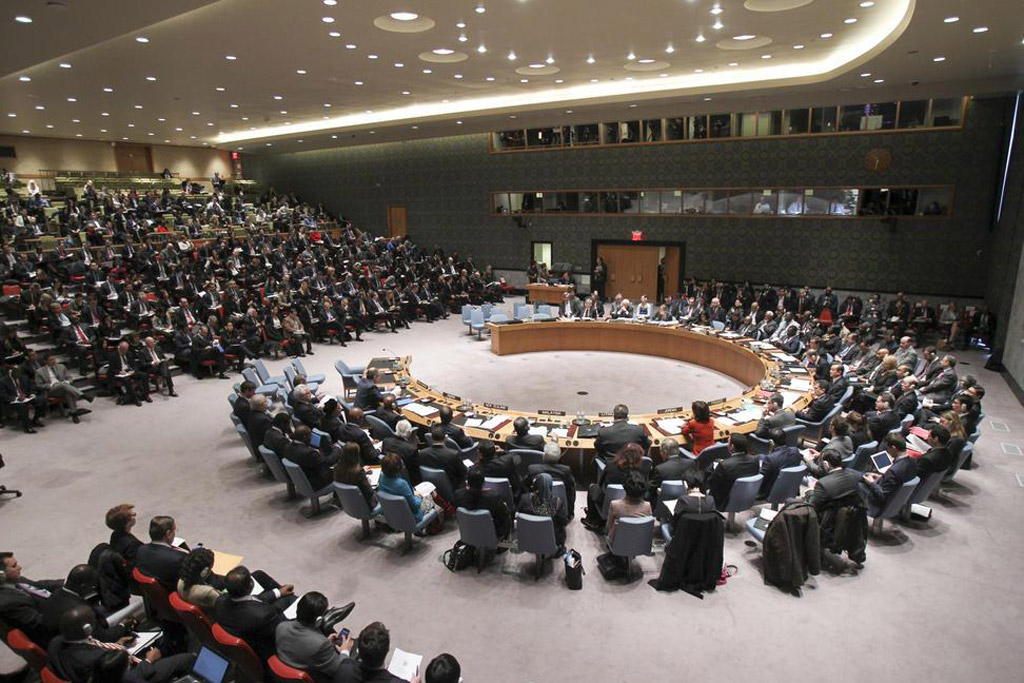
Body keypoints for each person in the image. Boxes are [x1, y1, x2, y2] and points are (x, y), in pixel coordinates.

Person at [47, 605, 195, 683]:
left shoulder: (55, 643)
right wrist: (150, 660)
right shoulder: (97, 659)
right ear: (87, 628)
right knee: (187, 658)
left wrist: (117, 645)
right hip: (136, 672)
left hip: (119, 662)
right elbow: (127, 677)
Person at [214, 565, 296, 661]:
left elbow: (251, 600)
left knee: (261, 576)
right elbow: (282, 628)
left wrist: (278, 592)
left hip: (245, 634)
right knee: (290, 600)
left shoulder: (220, 601)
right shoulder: (263, 615)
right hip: (264, 649)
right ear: (250, 585)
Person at [275, 591, 357, 683]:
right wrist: (345, 651)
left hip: (284, 669)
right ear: (318, 620)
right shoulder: (321, 644)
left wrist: (326, 641)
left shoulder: (281, 626)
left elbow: (302, 645)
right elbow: (339, 669)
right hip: (307, 675)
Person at [860, 433, 919, 513]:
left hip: (878, 504)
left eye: (887, 449)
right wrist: (880, 477)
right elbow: (894, 483)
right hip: (896, 501)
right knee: (858, 475)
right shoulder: (913, 462)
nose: (887, 451)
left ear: (893, 448)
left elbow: (883, 496)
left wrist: (871, 483)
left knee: (853, 481)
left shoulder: (894, 470)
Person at [703, 433, 759, 511]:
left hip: (724, 502)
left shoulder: (724, 465)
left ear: (732, 446)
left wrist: (715, 469)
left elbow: (711, 483)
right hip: (748, 496)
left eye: (728, 442)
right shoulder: (755, 460)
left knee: (708, 471)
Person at [377, 452, 437, 523]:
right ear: (399, 467)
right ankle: (431, 527)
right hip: (410, 517)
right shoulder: (401, 484)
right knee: (431, 494)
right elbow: (415, 506)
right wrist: (419, 497)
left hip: (392, 513)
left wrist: (412, 494)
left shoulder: (381, 477)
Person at [336, 622, 405, 683]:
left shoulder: (345, 670)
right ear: (388, 649)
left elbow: (344, 663)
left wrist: (344, 651)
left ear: (359, 650)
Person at [452, 468, 511, 540]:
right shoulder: (493, 497)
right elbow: (504, 515)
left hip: (469, 531)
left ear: (467, 482)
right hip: (491, 534)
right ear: (483, 482)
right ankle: (505, 541)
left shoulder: (458, 494)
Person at [517, 473, 569, 553]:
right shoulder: (557, 502)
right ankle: (559, 549)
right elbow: (564, 522)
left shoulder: (524, 499)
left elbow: (519, 515)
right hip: (550, 542)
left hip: (528, 539)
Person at [135, 516, 188, 592]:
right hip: (173, 594)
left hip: (153, 597)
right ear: (168, 534)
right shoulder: (177, 558)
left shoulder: (141, 550)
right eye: (174, 530)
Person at [35, 352, 93, 423]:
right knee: (63, 386)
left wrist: (67, 382)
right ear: (45, 361)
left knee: (67, 391)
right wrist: (51, 384)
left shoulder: (61, 366)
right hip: (51, 390)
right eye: (50, 360)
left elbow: (69, 378)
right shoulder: (39, 371)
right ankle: (82, 395)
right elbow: (39, 385)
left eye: (54, 359)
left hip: (64, 387)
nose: (53, 361)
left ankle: (74, 414)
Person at [526, 440, 576, 515]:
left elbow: (526, 486)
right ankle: (569, 512)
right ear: (559, 457)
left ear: (544, 456)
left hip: (536, 506)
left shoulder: (533, 469)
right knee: (572, 486)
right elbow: (570, 488)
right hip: (560, 507)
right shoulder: (565, 470)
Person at [286, 425, 341, 490]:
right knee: (342, 469)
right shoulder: (309, 453)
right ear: (304, 437)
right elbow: (328, 462)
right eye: (310, 435)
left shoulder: (288, 447)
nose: (311, 438)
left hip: (302, 480)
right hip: (316, 482)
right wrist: (337, 449)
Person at [418, 424, 467, 489]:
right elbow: (464, 473)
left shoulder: (421, 453)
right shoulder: (453, 455)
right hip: (453, 488)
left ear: (432, 438)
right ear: (446, 438)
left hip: (432, 488)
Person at [758, 428, 802, 498]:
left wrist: (770, 453)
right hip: (790, 486)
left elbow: (762, 478)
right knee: (761, 456)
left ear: (771, 442)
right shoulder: (795, 451)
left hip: (771, 491)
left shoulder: (770, 458)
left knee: (759, 460)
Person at [334, 442, 376, 508]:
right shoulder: (358, 472)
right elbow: (369, 492)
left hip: (348, 503)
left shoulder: (337, 468)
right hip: (366, 504)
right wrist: (368, 482)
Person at [383, 419, 421, 484]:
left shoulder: (386, 441)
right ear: (409, 432)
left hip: (388, 472)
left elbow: (382, 456)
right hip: (408, 479)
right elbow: (416, 469)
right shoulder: (411, 449)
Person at [105, 504, 142, 568]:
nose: (134, 514)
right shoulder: (132, 544)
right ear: (126, 523)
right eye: (132, 515)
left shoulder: (115, 535)